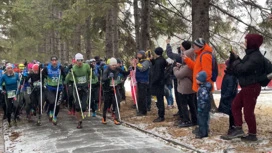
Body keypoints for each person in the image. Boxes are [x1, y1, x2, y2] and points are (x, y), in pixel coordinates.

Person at [222, 34, 265, 141]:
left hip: (252, 87)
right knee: (235, 105)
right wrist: (235, 59)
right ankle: (238, 129)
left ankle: (252, 134)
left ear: (252, 43)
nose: (244, 43)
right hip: (247, 86)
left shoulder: (256, 57)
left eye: (246, 41)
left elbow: (243, 69)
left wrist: (235, 61)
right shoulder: (250, 55)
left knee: (248, 112)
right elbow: (242, 66)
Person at [173, 45, 197, 128]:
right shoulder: (189, 65)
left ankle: (186, 120)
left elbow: (179, 75)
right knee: (192, 105)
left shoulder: (188, 66)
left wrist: (175, 69)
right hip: (190, 88)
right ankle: (194, 120)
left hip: (185, 89)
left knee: (184, 105)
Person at [166, 39, 192, 117]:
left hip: (180, 78)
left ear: (183, 47)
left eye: (181, 45)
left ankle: (183, 114)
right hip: (189, 79)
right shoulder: (192, 55)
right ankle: (187, 113)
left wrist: (168, 44)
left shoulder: (181, 56)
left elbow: (169, 54)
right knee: (190, 98)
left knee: (180, 97)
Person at [65, 53, 90, 128]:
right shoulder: (74, 68)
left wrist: (93, 74)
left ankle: (83, 113)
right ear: (75, 61)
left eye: (81, 60)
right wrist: (69, 73)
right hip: (76, 88)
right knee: (77, 107)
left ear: (83, 60)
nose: (80, 62)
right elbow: (66, 80)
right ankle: (79, 121)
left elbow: (91, 74)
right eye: (78, 60)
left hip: (85, 88)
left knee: (83, 106)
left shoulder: (86, 66)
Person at [102, 58, 129, 125]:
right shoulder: (107, 70)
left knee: (117, 102)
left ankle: (116, 118)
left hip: (115, 87)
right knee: (106, 103)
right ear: (110, 65)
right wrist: (108, 77)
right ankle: (104, 117)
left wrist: (130, 70)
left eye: (115, 65)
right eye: (113, 65)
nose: (114, 66)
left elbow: (124, 73)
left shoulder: (117, 68)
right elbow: (103, 79)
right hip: (107, 89)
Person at [42, 56, 66, 125]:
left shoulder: (60, 68)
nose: (54, 62)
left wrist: (64, 72)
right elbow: (43, 75)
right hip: (50, 88)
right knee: (52, 101)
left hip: (59, 88)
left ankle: (55, 116)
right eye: (53, 61)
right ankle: (50, 111)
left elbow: (65, 76)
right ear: (51, 61)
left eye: (55, 60)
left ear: (57, 61)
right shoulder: (47, 68)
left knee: (58, 104)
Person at [219, 60, 238, 138]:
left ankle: (233, 127)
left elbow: (230, 89)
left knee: (232, 113)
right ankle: (232, 127)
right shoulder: (229, 74)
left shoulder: (231, 76)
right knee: (231, 113)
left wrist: (224, 96)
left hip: (230, 98)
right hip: (229, 97)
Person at [150, 47, 167, 122]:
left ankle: (161, 115)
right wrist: (152, 60)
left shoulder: (159, 62)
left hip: (157, 83)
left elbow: (157, 73)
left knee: (159, 99)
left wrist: (153, 81)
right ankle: (160, 113)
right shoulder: (161, 60)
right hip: (159, 82)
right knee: (157, 98)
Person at [195, 71, 212, 139]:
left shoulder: (203, 89)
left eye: (197, 79)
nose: (196, 80)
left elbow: (204, 99)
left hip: (203, 107)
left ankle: (203, 133)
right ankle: (203, 131)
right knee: (204, 119)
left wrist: (201, 107)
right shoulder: (203, 87)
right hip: (204, 106)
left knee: (202, 120)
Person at [135, 51, 151, 116]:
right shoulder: (140, 61)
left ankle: (143, 111)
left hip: (144, 81)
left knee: (143, 96)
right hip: (139, 80)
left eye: (139, 54)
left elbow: (142, 68)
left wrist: (137, 64)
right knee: (140, 96)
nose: (137, 55)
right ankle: (140, 109)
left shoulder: (146, 61)